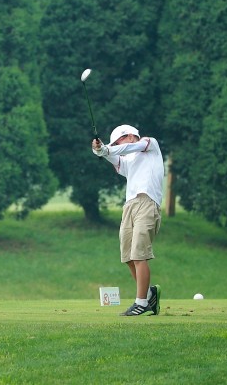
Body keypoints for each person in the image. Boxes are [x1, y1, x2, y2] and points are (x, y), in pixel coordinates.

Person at [92, 124, 164, 316]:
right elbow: (110, 155)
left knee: (139, 255)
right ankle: (150, 296)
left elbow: (125, 148)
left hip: (147, 202)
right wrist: (100, 150)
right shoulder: (126, 163)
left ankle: (141, 303)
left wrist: (107, 148)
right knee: (128, 257)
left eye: (119, 141)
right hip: (129, 206)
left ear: (131, 136)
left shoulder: (150, 145)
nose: (118, 146)